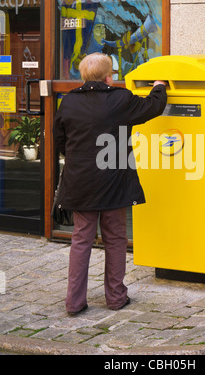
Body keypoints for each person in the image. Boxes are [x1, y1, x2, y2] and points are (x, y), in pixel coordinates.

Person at [53, 53, 167, 315]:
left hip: (80, 181)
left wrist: (79, 160)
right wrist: (159, 86)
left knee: (81, 239)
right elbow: (152, 106)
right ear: (109, 76)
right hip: (113, 180)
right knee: (115, 238)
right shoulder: (119, 99)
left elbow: (61, 140)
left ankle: (74, 302)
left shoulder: (68, 102)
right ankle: (116, 297)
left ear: (83, 76)